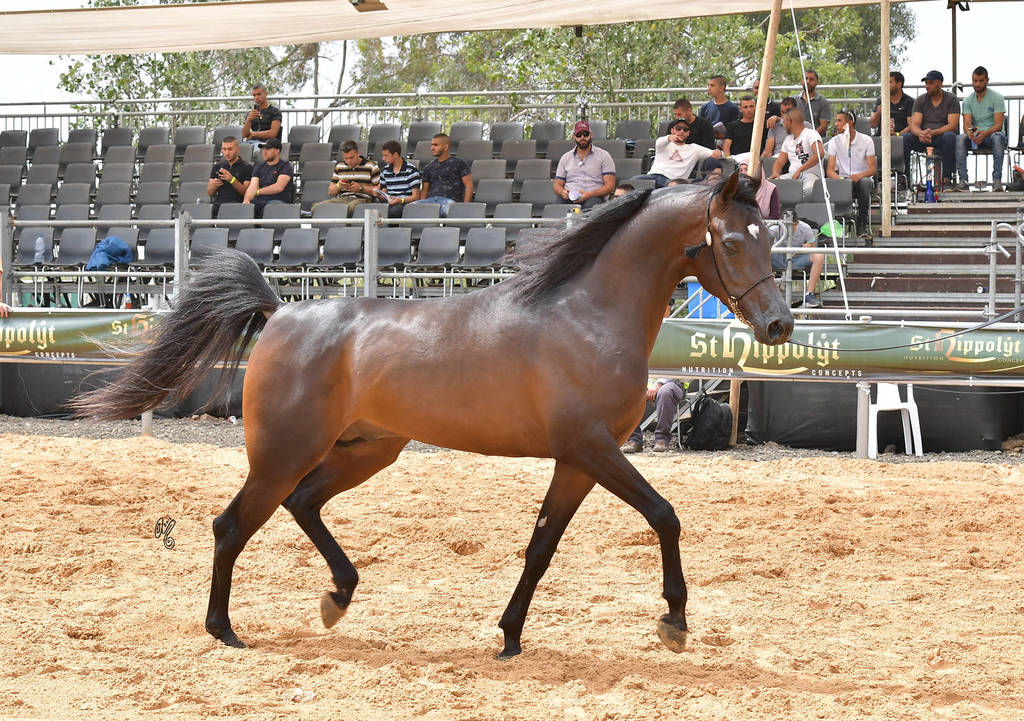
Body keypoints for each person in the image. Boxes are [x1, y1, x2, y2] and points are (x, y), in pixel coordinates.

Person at [903, 70, 960, 188]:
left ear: (939, 84)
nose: (927, 86)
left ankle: (947, 178)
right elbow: (914, 125)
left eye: (930, 83)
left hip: (941, 137)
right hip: (924, 138)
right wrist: (921, 134)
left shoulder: (951, 99)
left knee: (950, 137)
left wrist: (932, 133)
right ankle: (905, 179)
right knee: (905, 138)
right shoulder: (921, 100)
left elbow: (952, 125)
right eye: (926, 83)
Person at [955, 66, 1006, 192]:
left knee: (998, 136)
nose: (977, 84)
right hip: (976, 137)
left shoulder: (997, 97)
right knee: (961, 138)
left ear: (987, 80)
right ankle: (963, 181)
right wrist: (970, 133)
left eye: (980, 81)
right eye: (974, 81)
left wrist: (984, 134)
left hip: (992, 136)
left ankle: (997, 181)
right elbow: (966, 125)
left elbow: (998, 125)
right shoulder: (967, 101)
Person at [827, 110, 876, 238]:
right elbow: (830, 170)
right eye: (836, 120)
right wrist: (840, 179)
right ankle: (836, 226)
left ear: (850, 123)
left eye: (840, 121)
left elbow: (872, 169)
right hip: (844, 180)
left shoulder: (866, 140)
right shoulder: (834, 142)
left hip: (862, 178)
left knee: (865, 183)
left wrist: (859, 176)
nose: (836, 124)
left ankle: (862, 225)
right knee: (830, 183)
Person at [635, 118, 721, 188]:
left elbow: (718, 154)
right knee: (631, 183)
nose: (681, 131)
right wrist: (669, 138)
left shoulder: (694, 148)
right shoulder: (663, 143)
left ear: (688, 133)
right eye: (678, 128)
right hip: (652, 176)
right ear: (672, 131)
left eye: (685, 129)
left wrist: (718, 152)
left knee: (674, 186)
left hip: (673, 181)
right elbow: (660, 142)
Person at [553, 121, 616, 209]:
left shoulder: (604, 156)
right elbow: (557, 184)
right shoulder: (565, 157)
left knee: (591, 206)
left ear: (591, 135)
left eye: (585, 134)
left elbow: (610, 186)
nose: (582, 137)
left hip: (594, 197)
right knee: (558, 206)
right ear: (574, 136)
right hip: (570, 197)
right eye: (579, 135)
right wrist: (562, 192)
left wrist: (589, 194)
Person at [621, 378, 689, 454]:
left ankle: (662, 440)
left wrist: (659, 383)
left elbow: (676, 370)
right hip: (646, 382)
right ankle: (634, 440)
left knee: (665, 392)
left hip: (674, 383)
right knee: (627, 390)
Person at [313, 140, 381, 216]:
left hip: (363, 199)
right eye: (346, 158)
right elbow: (330, 192)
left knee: (350, 208)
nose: (348, 161)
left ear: (358, 153)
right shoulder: (339, 166)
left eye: (351, 158)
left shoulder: (371, 166)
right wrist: (339, 186)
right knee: (316, 208)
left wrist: (361, 188)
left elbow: (379, 192)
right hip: (342, 198)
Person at [768, 108, 825, 199]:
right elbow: (779, 162)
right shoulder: (788, 139)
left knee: (809, 190)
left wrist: (800, 170)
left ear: (791, 121)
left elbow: (819, 153)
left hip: (810, 174)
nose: (783, 125)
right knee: (769, 186)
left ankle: (802, 211)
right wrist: (775, 172)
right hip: (792, 176)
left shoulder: (810, 134)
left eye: (785, 122)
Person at [771, 214, 825, 308]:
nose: (787, 228)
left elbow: (813, 247)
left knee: (819, 256)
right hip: (778, 257)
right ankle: (766, 293)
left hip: (797, 259)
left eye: (790, 225)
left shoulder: (805, 228)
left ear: (797, 223)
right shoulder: (775, 228)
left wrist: (808, 247)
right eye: (785, 225)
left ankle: (809, 294)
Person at [415, 133, 472, 217]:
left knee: (447, 211)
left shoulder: (459, 163)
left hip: (449, 202)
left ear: (445, 147)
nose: (432, 148)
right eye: (431, 145)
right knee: (410, 209)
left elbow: (469, 186)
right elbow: (424, 190)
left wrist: (464, 207)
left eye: (435, 145)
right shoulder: (429, 167)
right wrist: (423, 206)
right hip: (431, 201)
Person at [242, 137, 294, 217]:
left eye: (268, 149)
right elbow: (252, 186)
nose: (264, 152)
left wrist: (258, 192)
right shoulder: (259, 166)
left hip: (278, 201)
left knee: (271, 206)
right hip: (261, 200)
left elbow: (278, 187)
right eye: (263, 149)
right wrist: (246, 200)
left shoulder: (285, 166)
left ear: (277, 151)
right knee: (246, 208)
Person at [206, 136, 252, 217]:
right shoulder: (217, 166)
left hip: (237, 204)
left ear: (238, 149)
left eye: (230, 149)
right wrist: (214, 186)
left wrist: (232, 180)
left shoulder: (247, 167)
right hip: (219, 204)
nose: (227, 153)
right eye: (224, 149)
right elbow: (210, 193)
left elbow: (246, 193)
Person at [377, 139, 422, 217]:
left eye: (386, 155)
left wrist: (400, 200)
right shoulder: (385, 171)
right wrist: (379, 195)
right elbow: (384, 196)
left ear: (395, 154)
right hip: (390, 203)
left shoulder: (411, 170)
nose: (383, 158)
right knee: (371, 212)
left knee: (393, 212)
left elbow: (416, 197)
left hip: (405, 204)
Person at [723, 96, 767, 165]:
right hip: (737, 161)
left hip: (757, 161)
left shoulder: (763, 124)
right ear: (740, 109)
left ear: (756, 107)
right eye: (745, 107)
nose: (749, 110)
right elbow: (726, 147)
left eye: (751, 106)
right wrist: (729, 162)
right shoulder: (732, 126)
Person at [869, 71, 915, 136]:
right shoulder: (881, 100)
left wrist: (897, 134)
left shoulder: (909, 102)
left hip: (902, 138)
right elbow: (872, 125)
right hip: (882, 137)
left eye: (890, 82)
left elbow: (911, 126)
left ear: (899, 85)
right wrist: (878, 113)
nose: (886, 85)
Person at [700, 75, 740, 141]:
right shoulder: (705, 107)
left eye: (712, 85)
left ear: (721, 88)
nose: (709, 88)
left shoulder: (733, 108)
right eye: (708, 85)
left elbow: (735, 131)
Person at [796, 70, 831, 138]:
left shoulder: (823, 102)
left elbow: (823, 127)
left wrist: (809, 138)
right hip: (796, 140)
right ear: (802, 81)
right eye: (805, 78)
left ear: (817, 82)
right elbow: (786, 120)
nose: (808, 81)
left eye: (811, 79)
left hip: (815, 141)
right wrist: (776, 118)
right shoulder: (794, 100)